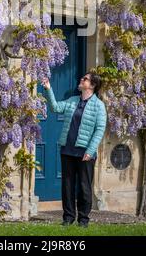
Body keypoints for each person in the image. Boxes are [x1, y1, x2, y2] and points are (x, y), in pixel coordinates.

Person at [41, 72, 107, 227]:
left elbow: (100, 130)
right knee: (67, 186)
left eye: (85, 79)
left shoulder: (99, 106)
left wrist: (90, 151)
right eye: (82, 78)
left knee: (84, 187)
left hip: (85, 153)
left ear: (92, 85)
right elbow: (56, 108)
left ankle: (83, 220)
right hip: (67, 150)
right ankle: (68, 218)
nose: (81, 80)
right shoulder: (72, 100)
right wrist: (49, 89)